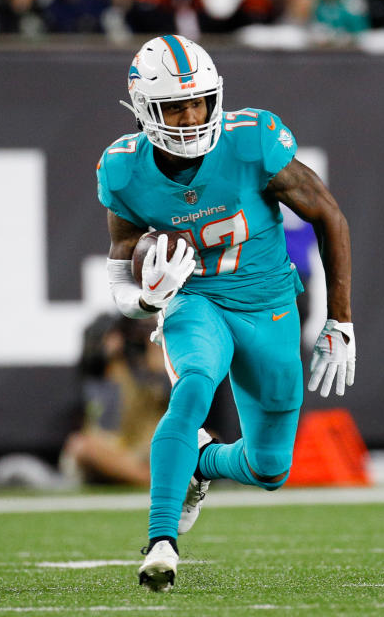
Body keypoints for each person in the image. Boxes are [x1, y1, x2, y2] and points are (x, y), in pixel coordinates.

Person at [97, 34, 355, 591]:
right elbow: (119, 272)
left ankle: (203, 462)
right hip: (197, 300)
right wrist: (147, 299)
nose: (190, 117)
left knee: (270, 469)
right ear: (144, 109)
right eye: (175, 106)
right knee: (193, 386)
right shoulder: (123, 168)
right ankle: (161, 540)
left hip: (268, 304)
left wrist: (340, 321)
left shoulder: (250, 140)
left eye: (199, 102)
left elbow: (328, 215)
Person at [59, 314, 169, 486]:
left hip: (147, 449)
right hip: (113, 451)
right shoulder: (96, 378)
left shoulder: (146, 369)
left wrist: (158, 361)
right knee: (81, 447)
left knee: (203, 439)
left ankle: (150, 477)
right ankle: (151, 481)